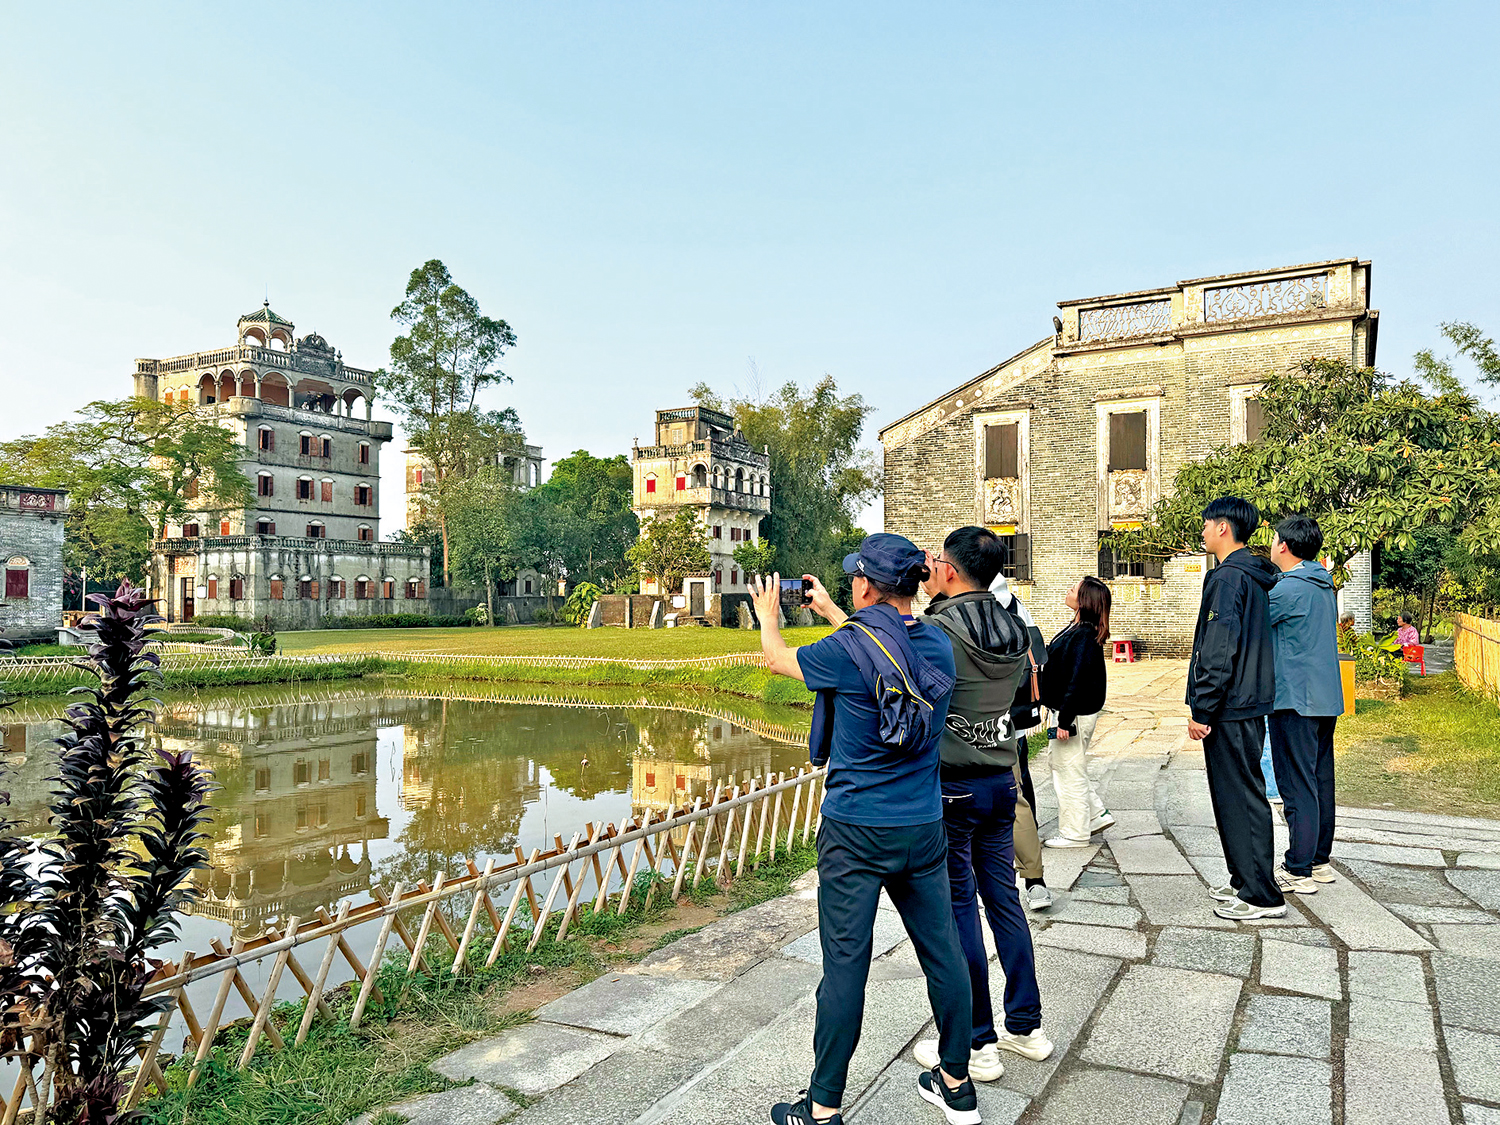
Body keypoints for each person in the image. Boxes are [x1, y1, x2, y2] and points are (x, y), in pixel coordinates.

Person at [751, 533, 981, 1125]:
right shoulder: (937, 644)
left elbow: (779, 659)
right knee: (944, 954)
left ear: (864, 586)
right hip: (922, 826)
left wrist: (769, 616)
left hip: (855, 830)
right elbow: (883, 646)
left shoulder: (844, 650)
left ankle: (823, 1105)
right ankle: (957, 1082)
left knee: (846, 966)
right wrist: (833, 611)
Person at [906, 527, 1054, 1085]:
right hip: (1000, 779)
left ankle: (976, 1041)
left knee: (959, 909)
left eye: (938, 562)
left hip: (954, 785)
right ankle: (1026, 1025)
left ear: (949, 569)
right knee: (1004, 901)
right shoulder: (1014, 625)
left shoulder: (938, 630)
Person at [1187, 497, 1286, 921]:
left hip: (1231, 704)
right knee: (1233, 796)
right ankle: (1243, 878)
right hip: (1244, 700)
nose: (1204, 531)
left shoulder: (1229, 577)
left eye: (1207, 524)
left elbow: (1219, 648)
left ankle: (1262, 894)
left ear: (1223, 527)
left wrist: (1202, 708)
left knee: (1241, 798)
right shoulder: (1248, 574)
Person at [1266, 515, 1344, 895]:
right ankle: (1319, 860)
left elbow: (1249, 622)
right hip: (1325, 698)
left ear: (1283, 545)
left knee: (1296, 784)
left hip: (1295, 699)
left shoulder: (1288, 589)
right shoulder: (1322, 584)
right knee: (1319, 781)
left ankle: (1298, 868)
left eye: (1273, 539)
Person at [988, 573, 1052, 909]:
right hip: (1014, 720)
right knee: (1019, 794)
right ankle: (1034, 880)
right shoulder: (1016, 605)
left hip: (979, 724)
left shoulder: (961, 612)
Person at [1040, 577, 1115, 848]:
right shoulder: (1077, 628)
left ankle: (1075, 833)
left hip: (1074, 714)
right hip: (1069, 711)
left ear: (1084, 600)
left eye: (1073, 589)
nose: (1068, 590)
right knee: (1068, 765)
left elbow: (1077, 679)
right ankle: (1095, 815)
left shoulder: (1084, 635)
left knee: (1067, 771)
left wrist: (1064, 720)